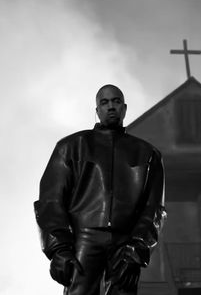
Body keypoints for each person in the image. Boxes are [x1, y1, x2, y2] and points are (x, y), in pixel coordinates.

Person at [34, 84, 166, 295]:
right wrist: (59, 249)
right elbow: (51, 200)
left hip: (125, 244)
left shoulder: (147, 155)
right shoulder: (71, 147)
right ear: (97, 111)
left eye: (116, 101)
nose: (111, 107)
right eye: (104, 102)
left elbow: (153, 209)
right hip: (84, 240)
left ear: (124, 108)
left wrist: (137, 248)